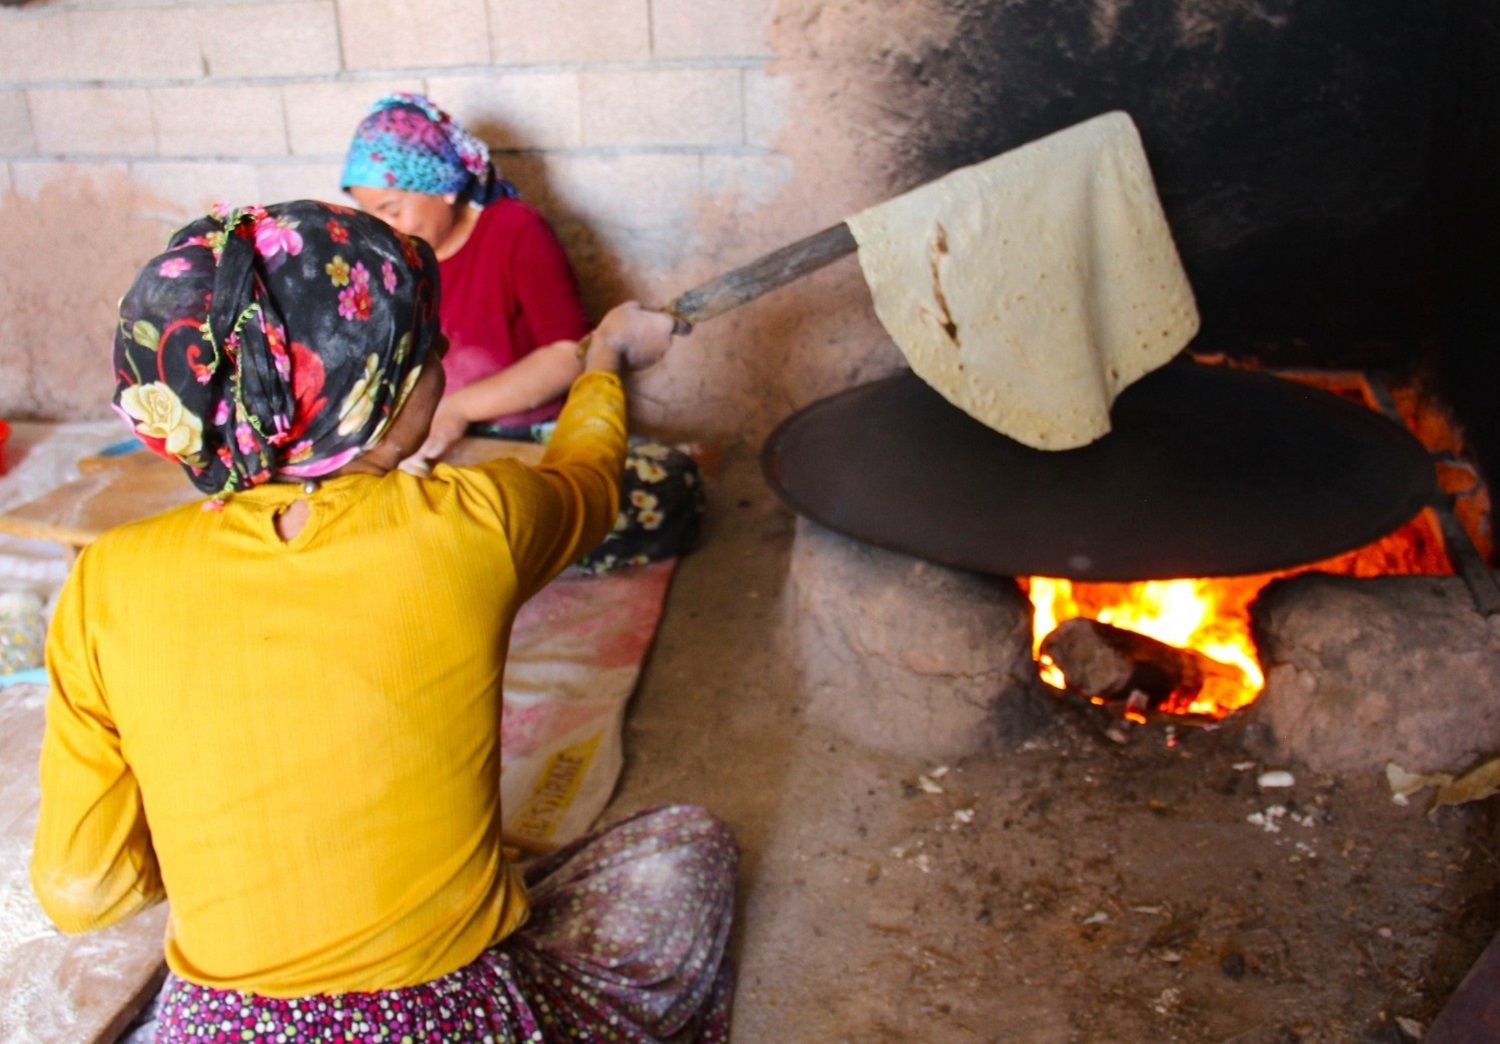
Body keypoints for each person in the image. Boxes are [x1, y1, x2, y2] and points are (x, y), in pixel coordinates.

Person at [30, 200, 737, 1042]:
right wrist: (605, 361)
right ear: (380, 391)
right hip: (443, 1018)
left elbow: (84, 890)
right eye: (427, 348)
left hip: (217, 1026)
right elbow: (589, 477)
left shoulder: (106, 579)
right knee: (691, 847)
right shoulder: (472, 522)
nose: (442, 360)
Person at [341, 92, 701, 574]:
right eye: (370, 214)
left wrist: (457, 410)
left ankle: (470, 554)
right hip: (432, 446)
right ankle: (485, 553)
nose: (383, 227)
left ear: (444, 186)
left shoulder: (515, 230)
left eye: (392, 209)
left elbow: (570, 352)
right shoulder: (388, 259)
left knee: (668, 486)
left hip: (528, 438)